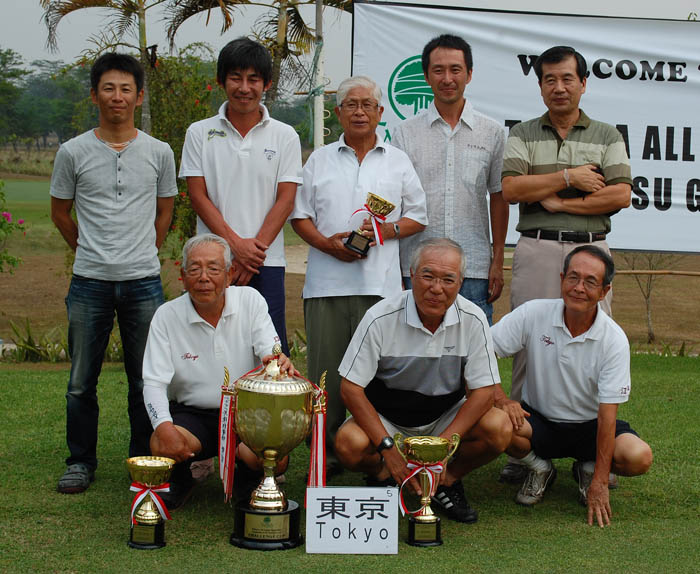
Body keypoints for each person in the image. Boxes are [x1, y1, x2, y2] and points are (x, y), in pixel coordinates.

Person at [499, 45, 633, 482]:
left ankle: (592, 453)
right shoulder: (521, 132)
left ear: (583, 83)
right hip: (537, 248)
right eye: (549, 79)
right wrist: (569, 179)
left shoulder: (607, 135)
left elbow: (620, 195)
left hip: (592, 248)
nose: (558, 87)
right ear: (540, 85)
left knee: (593, 343)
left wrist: (558, 203)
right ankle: (523, 454)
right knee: (524, 345)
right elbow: (513, 189)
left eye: (567, 79)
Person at [50, 53, 176, 494]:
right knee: (82, 380)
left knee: (146, 378)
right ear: (94, 95)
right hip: (89, 282)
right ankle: (80, 461)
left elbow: (166, 209)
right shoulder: (73, 151)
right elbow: (60, 212)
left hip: (143, 281)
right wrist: (87, 250)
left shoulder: (159, 152)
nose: (117, 97)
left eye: (126, 89)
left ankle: (144, 457)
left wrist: (148, 250)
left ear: (138, 97)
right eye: (108, 88)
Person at [290, 76, 427, 477]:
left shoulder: (397, 160)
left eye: (368, 104)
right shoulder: (319, 159)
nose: (360, 111)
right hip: (326, 287)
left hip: (381, 290)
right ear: (338, 113)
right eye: (351, 104)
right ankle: (327, 457)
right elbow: (299, 216)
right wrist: (327, 245)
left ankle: (380, 455)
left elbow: (419, 216)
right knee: (327, 378)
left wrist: (381, 233)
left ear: (381, 112)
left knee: (380, 377)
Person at [335, 238, 512, 523]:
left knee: (500, 427)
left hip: (443, 416)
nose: (436, 288)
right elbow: (351, 388)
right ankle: (386, 475)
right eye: (427, 275)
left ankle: (447, 481)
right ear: (411, 275)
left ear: (461, 282)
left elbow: (484, 391)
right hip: (388, 418)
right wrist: (388, 449)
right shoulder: (380, 317)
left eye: (447, 279)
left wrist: (444, 446)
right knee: (348, 444)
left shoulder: (474, 318)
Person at [491, 245, 653, 526]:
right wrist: (503, 399)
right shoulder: (533, 313)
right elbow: (482, 351)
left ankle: (589, 469)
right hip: (538, 421)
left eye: (590, 281)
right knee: (492, 423)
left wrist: (601, 482)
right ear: (562, 278)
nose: (579, 288)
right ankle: (539, 468)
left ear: (604, 291)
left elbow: (607, 416)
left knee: (639, 457)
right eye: (573, 278)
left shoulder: (614, 340)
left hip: (590, 427)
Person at [142, 234, 297, 509]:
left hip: (245, 412)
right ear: (183, 275)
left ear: (230, 274)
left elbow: (269, 352)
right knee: (160, 441)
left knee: (275, 455)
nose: (204, 277)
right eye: (195, 269)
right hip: (191, 414)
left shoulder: (251, 300)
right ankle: (181, 478)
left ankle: (248, 480)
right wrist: (163, 427)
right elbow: (153, 382)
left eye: (214, 269)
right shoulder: (166, 315)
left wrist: (277, 361)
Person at [180, 37, 302, 355]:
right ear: (221, 81)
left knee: (270, 353)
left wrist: (252, 254)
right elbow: (198, 195)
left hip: (266, 263)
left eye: (253, 79)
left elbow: (286, 199)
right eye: (236, 77)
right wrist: (234, 247)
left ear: (267, 84)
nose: (244, 87)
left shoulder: (285, 135)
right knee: (212, 349)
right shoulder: (199, 132)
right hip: (212, 262)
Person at [393, 34, 507, 325]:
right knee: (412, 352)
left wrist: (497, 259)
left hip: (475, 268)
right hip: (416, 267)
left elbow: (498, 196)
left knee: (473, 359)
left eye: (455, 69)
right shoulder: (405, 133)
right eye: (438, 70)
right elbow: (395, 201)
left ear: (469, 74)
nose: (447, 78)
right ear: (426, 75)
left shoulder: (492, 132)